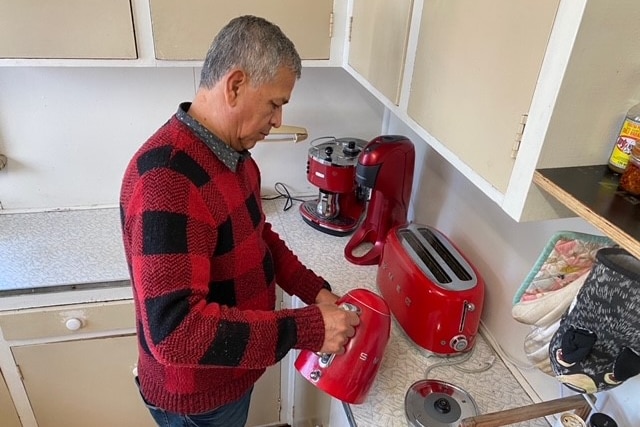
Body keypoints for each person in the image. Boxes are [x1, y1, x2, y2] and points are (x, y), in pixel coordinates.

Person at [119, 15, 360, 427]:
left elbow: (258, 235)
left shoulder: (234, 158)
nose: (279, 119)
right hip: (196, 399)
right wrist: (305, 328)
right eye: (275, 103)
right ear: (235, 85)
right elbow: (176, 334)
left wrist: (315, 292)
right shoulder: (168, 179)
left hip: (229, 374)